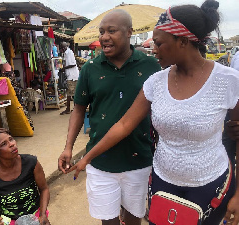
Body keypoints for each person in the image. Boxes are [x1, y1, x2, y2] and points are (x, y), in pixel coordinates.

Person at [68, 1, 239, 225]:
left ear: (183, 41)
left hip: (210, 187)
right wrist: (86, 158)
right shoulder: (155, 82)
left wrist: (238, 194)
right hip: (164, 185)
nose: (153, 49)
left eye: (158, 43)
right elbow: (123, 125)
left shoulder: (228, 81)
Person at [58, 9, 161, 225]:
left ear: (129, 32)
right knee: (109, 221)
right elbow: (78, 108)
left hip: (139, 159)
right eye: (102, 31)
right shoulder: (90, 69)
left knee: (134, 218)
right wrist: (68, 147)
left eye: (111, 31)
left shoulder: (151, 66)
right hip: (100, 161)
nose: (104, 37)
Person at [0, 128, 50, 225]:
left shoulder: (31, 162)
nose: (12, 144)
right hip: (8, 221)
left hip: (36, 216)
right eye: (4, 144)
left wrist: (42, 214)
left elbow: (44, 189)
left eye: (11, 139)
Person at [59, 42, 79, 115]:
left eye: (62, 48)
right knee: (69, 93)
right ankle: (70, 109)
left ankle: (73, 109)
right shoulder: (66, 53)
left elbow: (73, 64)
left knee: (72, 93)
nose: (62, 50)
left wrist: (64, 68)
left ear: (64, 47)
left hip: (72, 76)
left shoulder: (69, 53)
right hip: (70, 76)